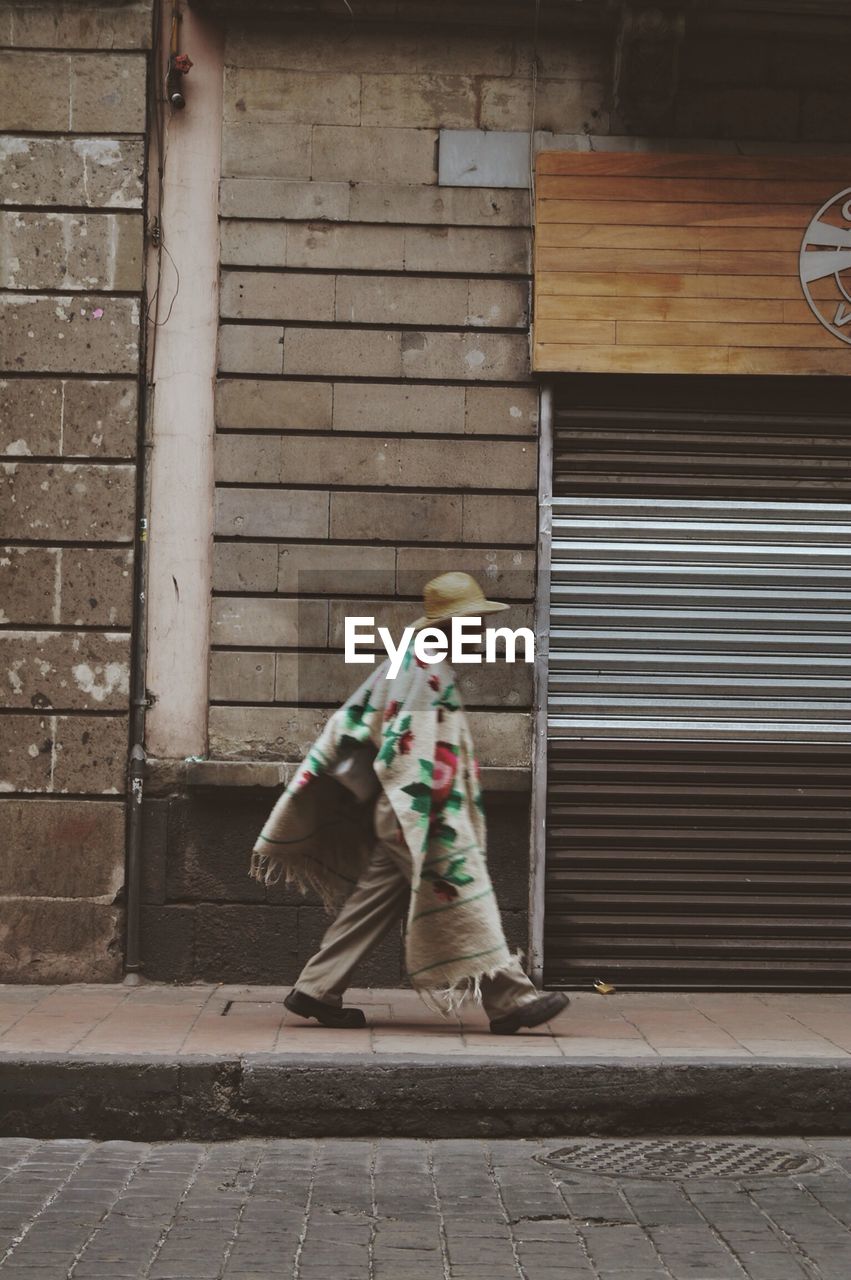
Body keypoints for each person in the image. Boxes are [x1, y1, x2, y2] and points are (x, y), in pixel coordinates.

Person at [250, 572, 570, 1035]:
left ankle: (316, 988)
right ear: (449, 625)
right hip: (417, 813)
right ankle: (511, 999)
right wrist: (431, 818)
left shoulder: (407, 663)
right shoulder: (426, 671)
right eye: (474, 622)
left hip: (399, 812)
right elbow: (411, 751)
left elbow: (355, 722)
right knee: (460, 892)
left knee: (374, 901)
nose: (480, 631)